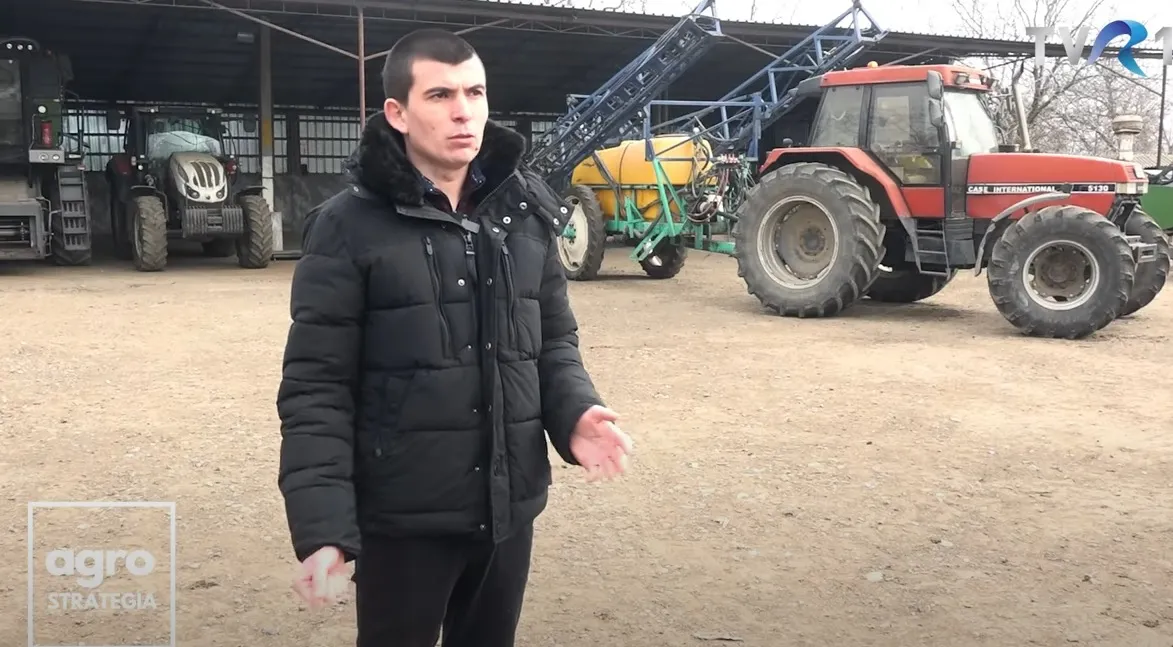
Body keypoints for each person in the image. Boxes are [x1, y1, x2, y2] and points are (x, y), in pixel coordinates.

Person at [275, 27, 634, 647]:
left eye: (475, 92)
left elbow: (552, 340)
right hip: (403, 519)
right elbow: (316, 387)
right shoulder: (347, 228)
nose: (464, 112)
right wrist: (324, 527)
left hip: (507, 506)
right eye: (440, 95)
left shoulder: (523, 213)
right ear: (398, 113)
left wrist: (573, 412)